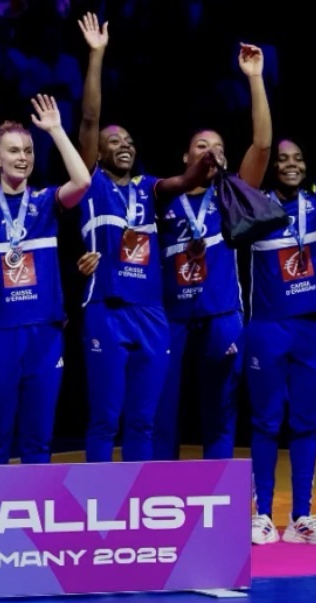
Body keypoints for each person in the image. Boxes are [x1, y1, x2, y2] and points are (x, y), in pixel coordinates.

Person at [75, 12, 210, 463]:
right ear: (98, 153)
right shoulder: (91, 183)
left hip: (151, 312)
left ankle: (136, 497)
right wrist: (97, 55)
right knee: (104, 417)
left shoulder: (150, 188)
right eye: (115, 141)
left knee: (143, 420)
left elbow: (183, 180)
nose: (125, 145)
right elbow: (90, 117)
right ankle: (98, 499)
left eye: (129, 140)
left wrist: (204, 162)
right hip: (107, 309)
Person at [152, 43, 272, 462]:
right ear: (186, 157)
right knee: (162, 413)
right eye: (201, 146)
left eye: (217, 147)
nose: (209, 152)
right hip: (171, 317)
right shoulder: (163, 196)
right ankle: (160, 491)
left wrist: (254, 78)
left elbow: (262, 146)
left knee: (220, 413)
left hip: (221, 314)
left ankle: (218, 493)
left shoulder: (232, 192)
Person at [0, 94, 92, 466]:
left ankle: (36, 504)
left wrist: (55, 131)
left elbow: (82, 180)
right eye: (13, 151)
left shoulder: (46, 201)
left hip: (44, 331)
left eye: (28, 151)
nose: (22, 157)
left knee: (38, 438)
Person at [246, 139, 316, 545]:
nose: (291, 165)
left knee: (306, 423)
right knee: (266, 422)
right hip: (268, 327)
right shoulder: (255, 204)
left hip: (312, 328)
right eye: (282, 159)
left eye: (298, 158)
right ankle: (262, 514)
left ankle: (301, 516)